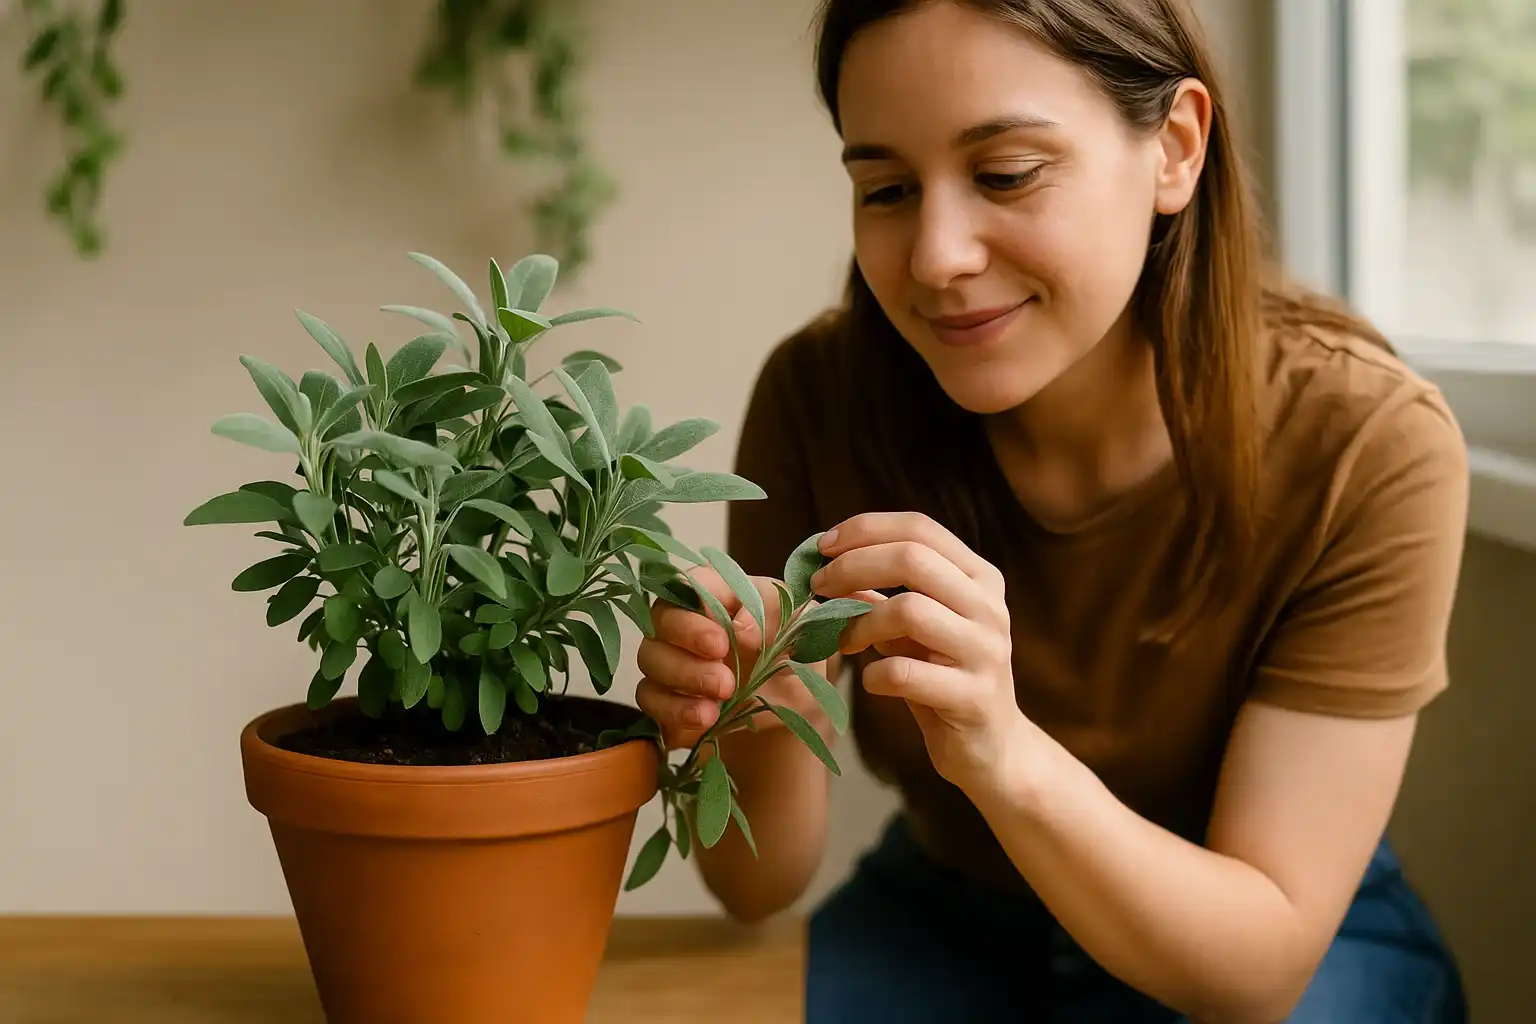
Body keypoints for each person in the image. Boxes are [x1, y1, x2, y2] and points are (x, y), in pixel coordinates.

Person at [634, 1, 1471, 1020]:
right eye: (887, 189)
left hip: (1256, 931)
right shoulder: (820, 398)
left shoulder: (1366, 444)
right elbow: (754, 885)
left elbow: (1257, 970)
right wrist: (748, 707)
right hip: (946, 918)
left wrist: (1004, 751)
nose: (936, 256)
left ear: (1174, 147)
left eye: (1006, 174)